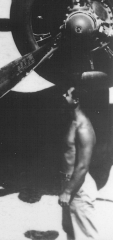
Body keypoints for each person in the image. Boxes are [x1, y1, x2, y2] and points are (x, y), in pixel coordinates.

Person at [59, 86, 98, 239]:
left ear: (76, 100)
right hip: (69, 183)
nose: (63, 96)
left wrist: (68, 191)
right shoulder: (72, 122)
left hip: (78, 187)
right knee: (70, 231)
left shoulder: (84, 128)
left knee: (86, 235)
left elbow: (82, 166)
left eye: (66, 94)